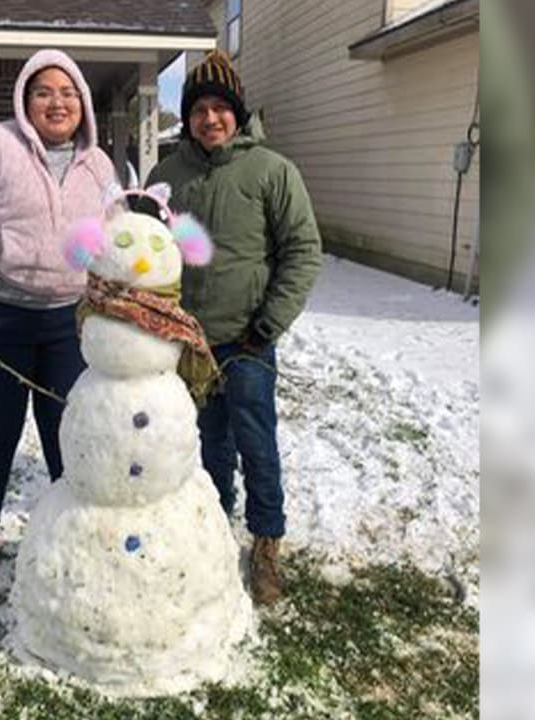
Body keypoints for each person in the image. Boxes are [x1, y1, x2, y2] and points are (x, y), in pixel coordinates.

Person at [0, 49, 116, 595]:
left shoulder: (99, 166)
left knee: (68, 432)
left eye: (68, 92)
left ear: (83, 103)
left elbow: (114, 237)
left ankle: (70, 532)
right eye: (44, 92)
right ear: (24, 100)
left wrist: (114, 297)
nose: (57, 102)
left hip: (68, 322)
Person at [147, 50, 323, 606]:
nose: (210, 119)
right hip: (187, 343)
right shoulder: (165, 176)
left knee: (255, 441)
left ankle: (266, 541)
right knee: (206, 443)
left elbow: (303, 251)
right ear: (188, 115)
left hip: (247, 340)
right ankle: (214, 527)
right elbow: (149, 251)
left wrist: (268, 323)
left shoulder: (272, 171)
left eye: (221, 108)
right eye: (199, 108)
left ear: (238, 114)